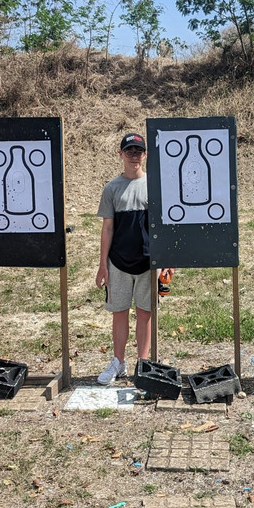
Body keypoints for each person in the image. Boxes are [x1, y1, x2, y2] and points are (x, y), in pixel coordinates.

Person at [95, 132, 173, 385]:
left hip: (148, 263)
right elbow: (107, 228)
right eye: (129, 151)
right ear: (120, 154)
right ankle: (118, 362)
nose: (134, 156)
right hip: (118, 262)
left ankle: (143, 364)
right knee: (119, 313)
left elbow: (163, 226)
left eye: (138, 151)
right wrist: (102, 265)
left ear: (145, 155)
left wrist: (166, 260)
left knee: (145, 313)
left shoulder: (155, 186)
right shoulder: (111, 188)